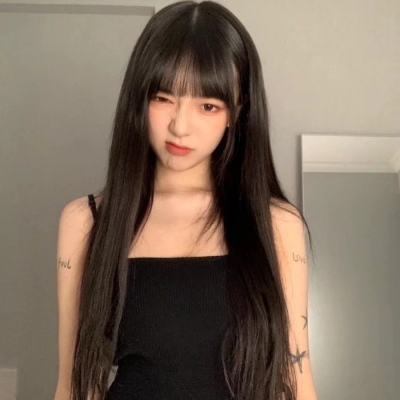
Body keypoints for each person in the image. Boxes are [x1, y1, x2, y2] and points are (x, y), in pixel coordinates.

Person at [54, 1, 317, 399]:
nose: (180, 126)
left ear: (237, 111)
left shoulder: (276, 224)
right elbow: (74, 387)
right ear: (139, 98)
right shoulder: (87, 220)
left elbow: (296, 383)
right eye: (164, 98)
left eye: (207, 106)